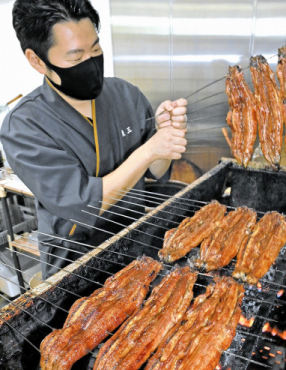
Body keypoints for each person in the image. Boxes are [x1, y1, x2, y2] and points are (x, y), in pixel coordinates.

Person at [1, 0, 187, 279]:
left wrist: (164, 139)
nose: (90, 63)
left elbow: (156, 171)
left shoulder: (126, 94)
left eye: (96, 49)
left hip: (138, 244)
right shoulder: (23, 126)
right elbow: (82, 203)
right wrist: (148, 151)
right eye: (76, 58)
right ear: (37, 60)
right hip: (76, 263)